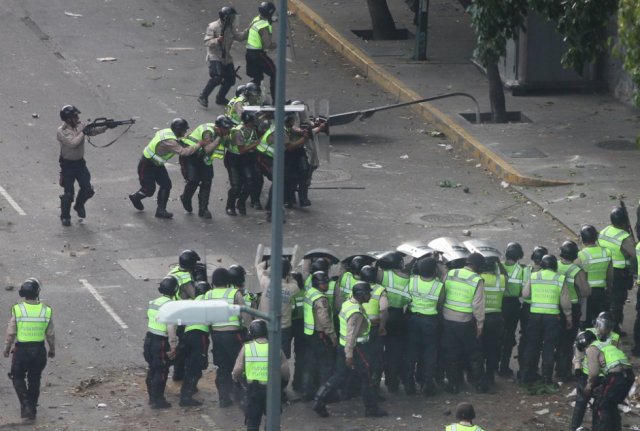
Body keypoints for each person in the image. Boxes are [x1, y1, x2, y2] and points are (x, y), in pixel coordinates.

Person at [312, 282, 388, 418]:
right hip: (356, 349)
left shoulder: (348, 304)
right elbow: (351, 336)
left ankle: (319, 400)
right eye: (367, 293)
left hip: (344, 346)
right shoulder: (356, 313)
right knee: (368, 376)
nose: (370, 295)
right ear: (361, 295)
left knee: (339, 376)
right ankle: (371, 408)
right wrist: (349, 356)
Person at [128, 118, 204, 218]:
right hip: (147, 165)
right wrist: (199, 144)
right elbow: (183, 152)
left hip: (158, 165)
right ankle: (135, 197)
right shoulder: (170, 141)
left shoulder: (168, 132)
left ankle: (160, 211)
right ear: (178, 130)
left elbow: (180, 139)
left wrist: (187, 137)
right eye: (184, 130)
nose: (185, 132)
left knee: (166, 185)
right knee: (149, 190)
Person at [3, 278, 55, 421]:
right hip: (39, 351)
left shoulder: (18, 309)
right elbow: (50, 334)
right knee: (35, 379)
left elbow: (11, 332)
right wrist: (52, 350)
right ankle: (31, 409)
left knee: (17, 376)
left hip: (21, 351)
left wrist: (7, 348)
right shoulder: (46, 310)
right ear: (37, 292)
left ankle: (26, 405)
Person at [521, 255, 572, 391]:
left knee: (531, 345)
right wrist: (568, 317)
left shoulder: (534, 276)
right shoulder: (559, 278)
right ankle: (546, 379)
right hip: (552, 318)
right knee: (549, 348)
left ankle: (526, 376)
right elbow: (565, 302)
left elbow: (525, 294)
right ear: (554, 266)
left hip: (535, 316)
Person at [438, 252, 487, 394]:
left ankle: (453, 384)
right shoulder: (477, 279)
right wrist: (480, 324)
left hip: (448, 318)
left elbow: (442, 294)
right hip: (465, 321)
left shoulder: (451, 273)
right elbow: (478, 305)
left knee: (451, 352)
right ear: (478, 266)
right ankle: (479, 384)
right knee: (474, 354)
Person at [204, 268, 252, 407]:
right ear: (228, 281)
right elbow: (245, 313)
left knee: (223, 367)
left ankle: (224, 398)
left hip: (217, 336)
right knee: (238, 364)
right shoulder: (234, 293)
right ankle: (241, 396)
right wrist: (250, 330)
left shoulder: (208, 295)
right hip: (233, 335)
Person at [232, 319, 290, 431]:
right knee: (272, 422)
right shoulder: (275, 348)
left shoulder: (247, 348)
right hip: (272, 391)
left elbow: (237, 370)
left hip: (254, 392)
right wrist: (283, 385)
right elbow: (285, 372)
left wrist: (236, 379)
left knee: (252, 423)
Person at [57, 105, 107, 226]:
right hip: (67, 165)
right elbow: (73, 143)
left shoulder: (80, 126)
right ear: (68, 119)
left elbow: (92, 131)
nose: (78, 118)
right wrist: (83, 132)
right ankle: (65, 216)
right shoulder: (61, 131)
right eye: (75, 116)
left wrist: (106, 126)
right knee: (68, 194)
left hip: (80, 164)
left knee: (88, 189)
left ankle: (79, 206)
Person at [179, 116, 234, 218]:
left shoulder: (223, 134)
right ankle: (186, 197)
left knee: (207, 181)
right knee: (193, 180)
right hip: (191, 154)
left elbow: (230, 145)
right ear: (219, 128)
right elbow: (207, 149)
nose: (228, 131)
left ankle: (203, 209)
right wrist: (218, 139)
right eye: (226, 129)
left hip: (204, 158)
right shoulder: (208, 132)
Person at [584, 329, 635, 431]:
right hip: (629, 376)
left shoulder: (592, 348)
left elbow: (593, 373)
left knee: (602, 405)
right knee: (611, 405)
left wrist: (588, 387)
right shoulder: (607, 345)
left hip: (616, 376)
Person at [197, 7, 248, 108]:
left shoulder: (230, 27)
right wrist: (217, 40)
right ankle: (203, 96)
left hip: (226, 57)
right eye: (232, 17)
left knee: (231, 79)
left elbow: (240, 37)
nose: (233, 19)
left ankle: (220, 98)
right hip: (215, 56)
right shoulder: (213, 27)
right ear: (226, 18)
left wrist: (249, 30)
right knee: (217, 77)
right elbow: (207, 42)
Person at [407, 257, 443, 396]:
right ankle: (427, 384)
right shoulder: (438, 286)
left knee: (412, 352)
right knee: (430, 353)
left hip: (414, 319)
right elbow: (440, 304)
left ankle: (409, 383)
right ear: (434, 271)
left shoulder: (412, 281)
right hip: (431, 321)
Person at [377, 252, 412, 394]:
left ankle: (379, 380)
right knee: (396, 352)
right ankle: (394, 382)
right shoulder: (408, 280)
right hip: (398, 317)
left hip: (382, 315)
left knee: (380, 351)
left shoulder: (383, 275)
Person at [598, 207, 637, 334]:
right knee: (618, 301)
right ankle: (614, 327)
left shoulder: (604, 231)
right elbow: (634, 254)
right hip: (619, 274)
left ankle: (602, 322)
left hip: (604, 269)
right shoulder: (624, 237)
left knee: (607, 299)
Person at [556, 240, 590, 381]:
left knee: (557, 340)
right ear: (575, 255)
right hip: (572, 308)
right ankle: (564, 372)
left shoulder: (555, 265)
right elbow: (586, 291)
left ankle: (557, 369)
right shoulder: (576, 270)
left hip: (557, 307)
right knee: (568, 341)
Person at [255, 257, 300, 361]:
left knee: (266, 357)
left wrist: (268, 262)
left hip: (266, 327)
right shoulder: (292, 288)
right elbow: (295, 283)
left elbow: (259, 267)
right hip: (283, 330)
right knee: (282, 359)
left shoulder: (266, 283)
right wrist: (290, 275)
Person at [144, 276, 179, 409]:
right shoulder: (171, 306)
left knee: (152, 369)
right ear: (175, 290)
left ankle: (152, 397)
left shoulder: (153, 302)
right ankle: (158, 400)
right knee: (161, 371)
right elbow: (170, 328)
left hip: (149, 339)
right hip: (161, 342)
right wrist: (173, 346)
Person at [301, 271, 337, 400]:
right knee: (325, 365)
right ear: (318, 284)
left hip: (309, 334)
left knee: (310, 365)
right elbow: (324, 320)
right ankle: (324, 394)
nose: (327, 285)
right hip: (321, 335)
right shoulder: (320, 299)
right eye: (324, 283)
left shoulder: (309, 293)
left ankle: (306, 391)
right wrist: (332, 335)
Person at [168, 250, 201, 382]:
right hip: (182, 315)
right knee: (184, 347)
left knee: (179, 345)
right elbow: (196, 296)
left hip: (173, 310)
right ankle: (180, 374)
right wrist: (199, 281)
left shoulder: (175, 271)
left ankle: (177, 373)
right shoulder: (186, 278)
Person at [179, 281, 212, 407]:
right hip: (200, 336)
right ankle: (186, 396)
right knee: (197, 366)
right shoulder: (207, 300)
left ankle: (187, 390)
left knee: (190, 365)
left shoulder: (192, 303)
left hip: (188, 335)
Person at [518, 245, 548, 379]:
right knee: (536, 341)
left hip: (526, 309)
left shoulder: (526, 270)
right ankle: (532, 370)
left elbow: (524, 291)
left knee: (525, 338)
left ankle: (522, 368)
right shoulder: (545, 274)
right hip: (539, 310)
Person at [576, 225, 613, 325]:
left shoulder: (580, 255)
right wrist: (609, 288)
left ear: (582, 239)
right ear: (596, 238)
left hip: (586, 295)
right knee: (601, 321)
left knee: (586, 323)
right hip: (601, 292)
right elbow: (610, 275)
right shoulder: (607, 253)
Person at [359, 265, 388, 393]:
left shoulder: (355, 288)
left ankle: (362, 385)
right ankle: (373, 388)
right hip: (374, 328)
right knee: (376, 359)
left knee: (363, 358)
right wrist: (383, 326)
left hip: (360, 328)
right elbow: (383, 310)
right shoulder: (380, 290)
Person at [225, 112, 260, 216]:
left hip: (246, 159)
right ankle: (230, 206)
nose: (254, 123)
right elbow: (241, 150)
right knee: (236, 186)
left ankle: (241, 203)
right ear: (248, 122)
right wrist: (255, 144)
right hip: (234, 159)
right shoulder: (238, 132)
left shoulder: (252, 129)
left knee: (250, 182)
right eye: (253, 121)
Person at [478, 256, 506, 390]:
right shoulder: (501, 279)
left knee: (479, 348)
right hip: (496, 319)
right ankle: (490, 376)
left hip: (481, 318)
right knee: (492, 349)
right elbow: (505, 274)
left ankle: (480, 377)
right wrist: (499, 263)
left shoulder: (478, 278)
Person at [499, 242, 524, 377]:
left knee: (498, 336)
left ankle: (494, 364)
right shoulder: (521, 270)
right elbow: (522, 291)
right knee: (509, 336)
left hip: (499, 304)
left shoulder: (499, 267)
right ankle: (504, 367)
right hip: (513, 306)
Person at [245, 2, 277, 102]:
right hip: (258, 55)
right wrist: (277, 45)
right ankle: (276, 100)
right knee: (274, 73)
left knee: (257, 78)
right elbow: (267, 44)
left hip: (249, 54)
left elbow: (247, 32)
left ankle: (252, 99)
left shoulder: (256, 19)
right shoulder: (264, 26)